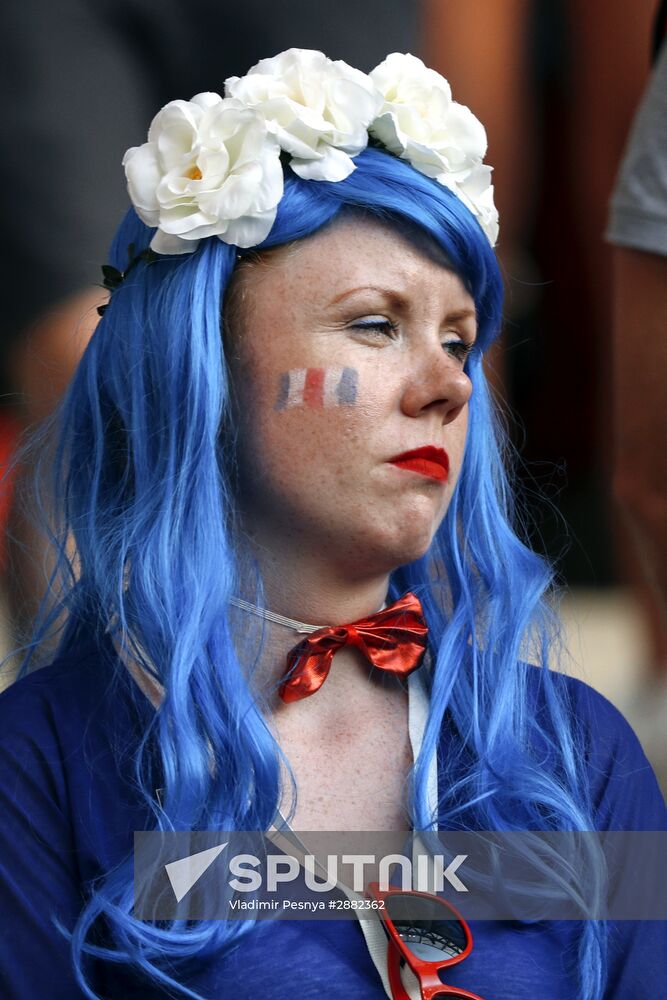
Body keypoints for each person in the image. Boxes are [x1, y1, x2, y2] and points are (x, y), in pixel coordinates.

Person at [0, 48, 664, 1000]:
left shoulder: (579, 752)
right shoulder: (41, 760)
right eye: (373, 324)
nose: (444, 386)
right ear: (205, 367)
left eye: (459, 341)